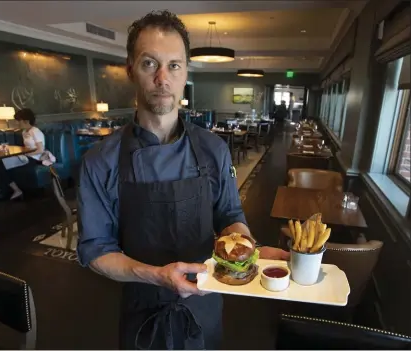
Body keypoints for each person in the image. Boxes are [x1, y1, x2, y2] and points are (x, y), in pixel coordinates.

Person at [77, 10, 289, 350]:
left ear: (185, 72)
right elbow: (95, 250)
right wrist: (157, 275)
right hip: (141, 309)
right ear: (130, 69)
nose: (163, 78)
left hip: (205, 304)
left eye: (174, 65)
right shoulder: (100, 160)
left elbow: (230, 216)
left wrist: (247, 250)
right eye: (150, 63)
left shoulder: (213, 148)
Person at [0, 108, 45, 200]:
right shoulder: (24, 132)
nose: (18, 123)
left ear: (26, 121)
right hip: (25, 156)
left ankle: (11, 190)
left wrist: (26, 155)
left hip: (34, 158)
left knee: (2, 166)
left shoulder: (35, 131)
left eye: (19, 121)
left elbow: (40, 150)